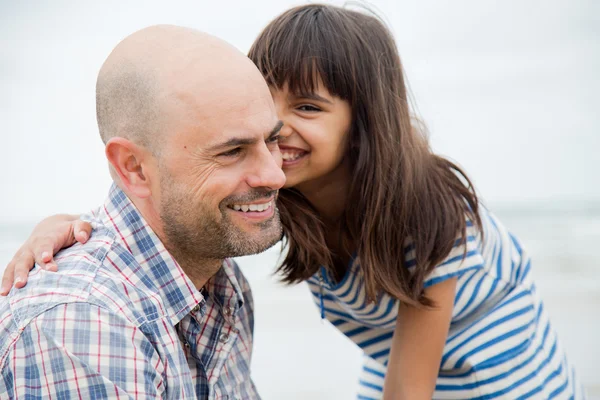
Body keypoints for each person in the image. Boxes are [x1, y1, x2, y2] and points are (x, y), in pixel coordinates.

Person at [3, 4, 585, 399]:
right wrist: (70, 229)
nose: (277, 128)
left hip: (502, 376)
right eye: (266, 99)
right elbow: (170, 210)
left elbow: (409, 390)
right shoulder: (286, 192)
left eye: (307, 107)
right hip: (391, 369)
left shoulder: (430, 219)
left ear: (364, 122)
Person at [0, 24, 286, 399]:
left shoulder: (220, 278)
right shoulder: (80, 324)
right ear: (133, 168)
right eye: (232, 152)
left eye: (273, 139)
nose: (275, 174)